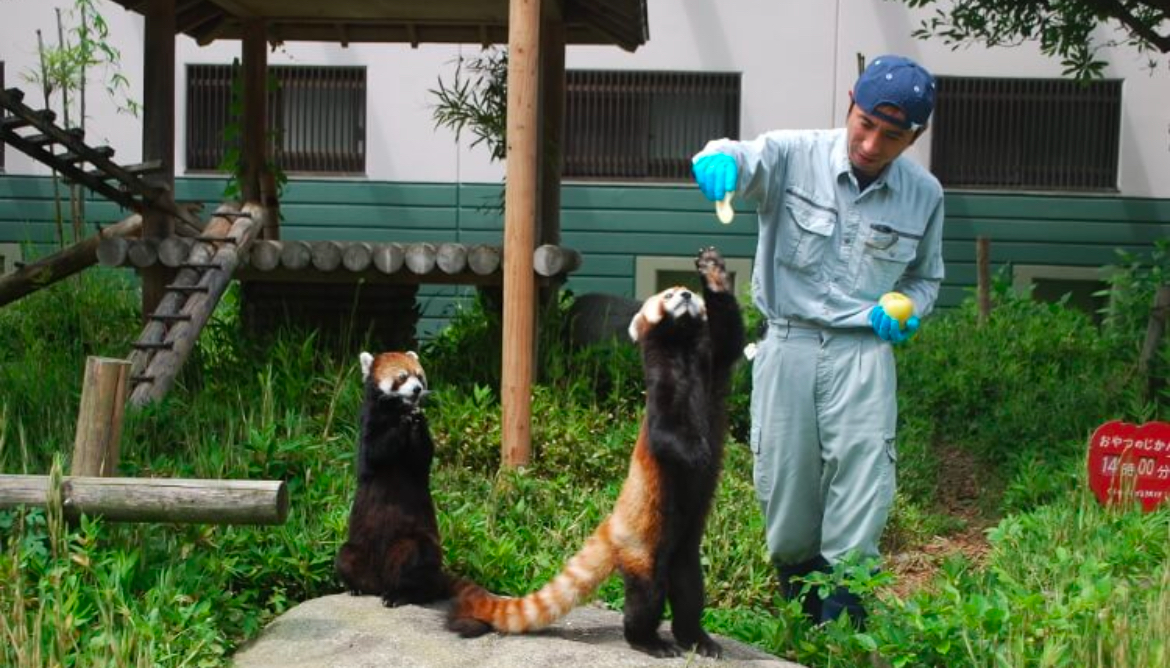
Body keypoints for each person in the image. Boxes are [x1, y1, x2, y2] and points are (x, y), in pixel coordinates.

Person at [690, 55, 945, 627]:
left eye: (892, 135)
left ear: (914, 136)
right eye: (866, 123)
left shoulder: (924, 195)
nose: (872, 143)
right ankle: (800, 618)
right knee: (784, 483)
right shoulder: (793, 153)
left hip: (864, 353)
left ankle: (843, 620)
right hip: (789, 343)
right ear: (850, 103)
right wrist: (718, 160)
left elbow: (924, 278)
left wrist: (908, 313)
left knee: (863, 482)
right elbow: (742, 156)